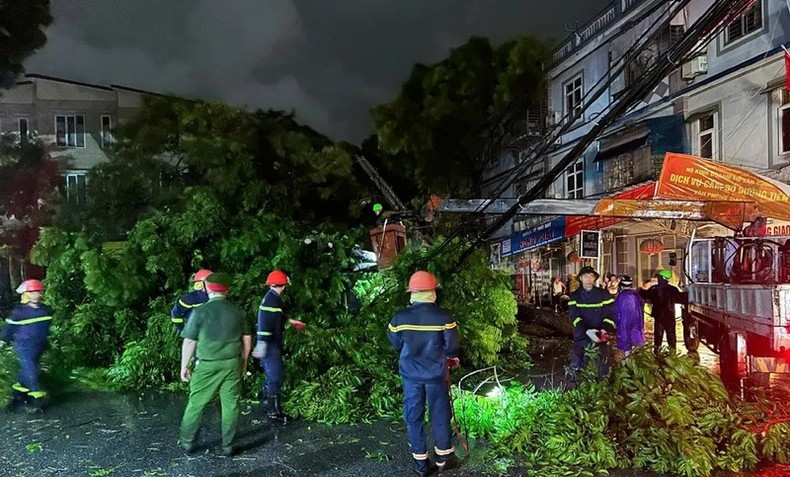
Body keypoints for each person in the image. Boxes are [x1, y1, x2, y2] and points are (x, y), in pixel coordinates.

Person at [388, 271, 460, 477]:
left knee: (413, 417)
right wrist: (452, 357)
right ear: (431, 292)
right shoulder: (443, 317)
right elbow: (452, 347)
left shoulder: (399, 317)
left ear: (412, 293)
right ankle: (443, 459)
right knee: (440, 414)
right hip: (436, 375)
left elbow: (395, 343)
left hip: (410, 375)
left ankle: (421, 464)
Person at [178, 273, 251, 456]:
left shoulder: (200, 312)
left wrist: (184, 366)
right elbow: (247, 340)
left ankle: (187, 443)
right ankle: (228, 446)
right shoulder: (238, 312)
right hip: (231, 364)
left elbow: (189, 342)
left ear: (207, 288)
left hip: (207, 366)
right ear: (227, 289)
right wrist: (243, 361)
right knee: (231, 405)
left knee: (196, 404)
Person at [251, 270, 305, 423]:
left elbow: (277, 316)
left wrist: (291, 321)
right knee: (276, 376)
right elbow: (263, 321)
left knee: (273, 375)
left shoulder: (272, 298)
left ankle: (265, 400)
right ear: (284, 285)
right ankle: (273, 412)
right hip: (268, 344)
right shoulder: (271, 300)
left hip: (271, 343)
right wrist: (261, 343)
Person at [0, 279, 52, 413]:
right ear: (26, 294)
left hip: (39, 346)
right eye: (32, 292)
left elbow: (45, 329)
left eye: (37, 292)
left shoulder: (45, 311)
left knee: (28, 370)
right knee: (31, 370)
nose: (36, 295)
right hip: (23, 346)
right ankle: (37, 398)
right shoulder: (19, 313)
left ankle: (17, 395)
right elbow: (8, 329)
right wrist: (2, 341)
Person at [567, 266, 616, 377]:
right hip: (581, 333)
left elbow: (611, 313)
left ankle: (603, 380)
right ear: (581, 278)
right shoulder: (575, 296)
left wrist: (604, 328)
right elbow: (574, 316)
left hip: (600, 332)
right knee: (579, 360)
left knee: (602, 359)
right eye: (585, 276)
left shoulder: (603, 294)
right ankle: (576, 378)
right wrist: (586, 331)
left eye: (591, 276)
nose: (588, 279)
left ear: (595, 278)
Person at [641, 269, 685, 354]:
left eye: (659, 277)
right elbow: (680, 298)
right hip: (670, 316)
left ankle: (657, 354)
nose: (658, 279)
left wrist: (640, 290)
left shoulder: (654, 289)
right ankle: (673, 355)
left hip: (658, 317)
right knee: (671, 337)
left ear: (663, 278)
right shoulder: (673, 289)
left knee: (658, 338)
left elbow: (644, 295)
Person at [613, 276, 645, 356]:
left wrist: (615, 322)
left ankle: (628, 361)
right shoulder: (637, 295)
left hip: (623, 323)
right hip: (637, 322)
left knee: (626, 343)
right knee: (636, 342)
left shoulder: (620, 296)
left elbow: (617, 311)